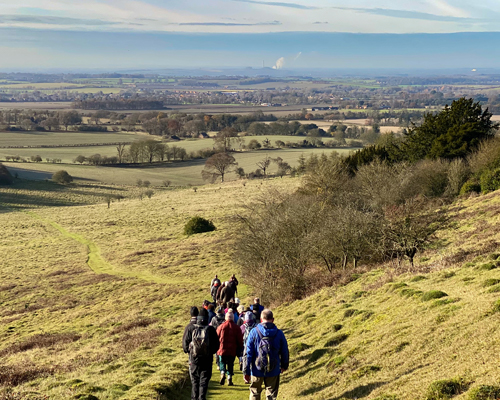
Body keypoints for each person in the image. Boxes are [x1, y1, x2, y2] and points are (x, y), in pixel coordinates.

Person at [243, 309, 289, 400]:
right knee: (271, 394)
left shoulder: (253, 332)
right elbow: (284, 351)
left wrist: (246, 371)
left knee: (255, 392)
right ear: (273, 319)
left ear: (261, 319)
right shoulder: (279, 333)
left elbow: (248, 353)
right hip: (274, 368)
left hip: (256, 369)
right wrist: (284, 365)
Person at [182, 309, 219, 400]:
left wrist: (190, 352)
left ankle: (194, 398)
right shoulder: (211, 329)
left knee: (195, 382)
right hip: (207, 360)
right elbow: (217, 345)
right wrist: (210, 352)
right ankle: (202, 398)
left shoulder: (191, 328)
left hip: (194, 360)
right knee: (204, 382)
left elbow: (185, 345)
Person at [216, 310, 243, 386]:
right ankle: (229, 378)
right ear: (233, 318)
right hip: (232, 350)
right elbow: (240, 340)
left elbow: (216, 337)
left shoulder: (220, 327)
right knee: (230, 364)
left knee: (222, 362)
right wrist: (240, 347)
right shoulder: (237, 328)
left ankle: (222, 373)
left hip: (222, 349)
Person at [210, 306, 226, 371]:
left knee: (217, 351)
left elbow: (212, 327)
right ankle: (223, 363)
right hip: (224, 336)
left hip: (216, 336)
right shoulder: (225, 318)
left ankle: (218, 364)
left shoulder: (214, 318)